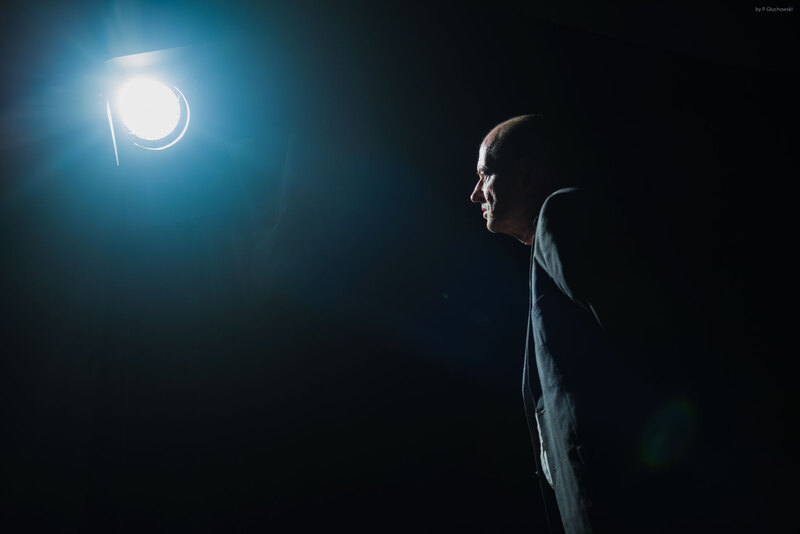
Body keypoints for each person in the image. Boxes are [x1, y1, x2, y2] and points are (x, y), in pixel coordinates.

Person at [469, 115, 784, 533]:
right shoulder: (551, 238)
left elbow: (650, 340)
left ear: (526, 176)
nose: (475, 193)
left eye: (484, 175)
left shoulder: (560, 215)